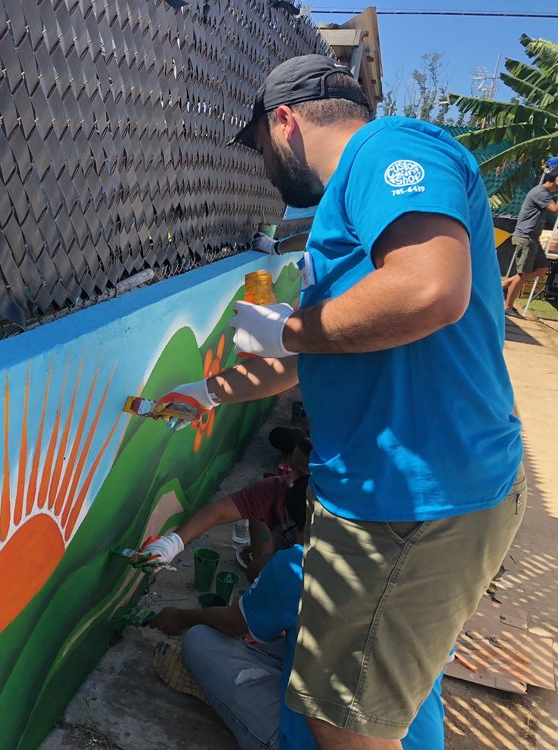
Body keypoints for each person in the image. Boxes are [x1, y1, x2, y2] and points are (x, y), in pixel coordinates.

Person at [154, 54, 524, 749]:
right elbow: (307, 360)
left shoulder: (388, 149)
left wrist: (289, 327)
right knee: (359, 710)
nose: (264, 168)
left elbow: (429, 290)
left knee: (344, 725)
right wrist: (206, 391)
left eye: (261, 147)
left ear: (285, 121)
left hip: (415, 500)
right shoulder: (344, 220)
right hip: (398, 495)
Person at [148, 477, 444, 750]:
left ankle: (223, 698)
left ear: (302, 525)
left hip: (309, 741)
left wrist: (181, 617)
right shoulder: (425, 573)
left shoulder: (301, 564)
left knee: (201, 640)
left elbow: (232, 623)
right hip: (413, 737)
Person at [133, 438, 313, 581]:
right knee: (257, 572)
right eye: (292, 468)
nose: (289, 478)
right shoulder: (276, 489)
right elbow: (215, 513)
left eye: (301, 475)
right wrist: (170, 544)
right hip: (291, 563)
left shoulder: (334, 523)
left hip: (319, 579)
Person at [502, 167, 558, 316]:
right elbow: (555, 210)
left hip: (533, 238)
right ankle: (507, 307)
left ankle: (505, 284)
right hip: (526, 237)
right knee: (523, 274)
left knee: (543, 269)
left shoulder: (543, 192)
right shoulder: (541, 193)